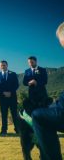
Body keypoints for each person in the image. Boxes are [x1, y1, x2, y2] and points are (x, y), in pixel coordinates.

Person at [31, 23, 64, 160]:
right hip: (36, 98)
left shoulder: (43, 70)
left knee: (39, 116)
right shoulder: (27, 73)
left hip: (45, 98)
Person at [0, 60, 19, 135]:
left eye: (4, 65)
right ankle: (4, 130)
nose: (3, 66)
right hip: (3, 97)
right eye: (1, 65)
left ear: (7, 65)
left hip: (12, 97)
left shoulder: (13, 74)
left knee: (14, 114)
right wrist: (3, 92)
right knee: (4, 114)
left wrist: (10, 92)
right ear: (0, 66)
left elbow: (16, 84)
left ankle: (17, 130)